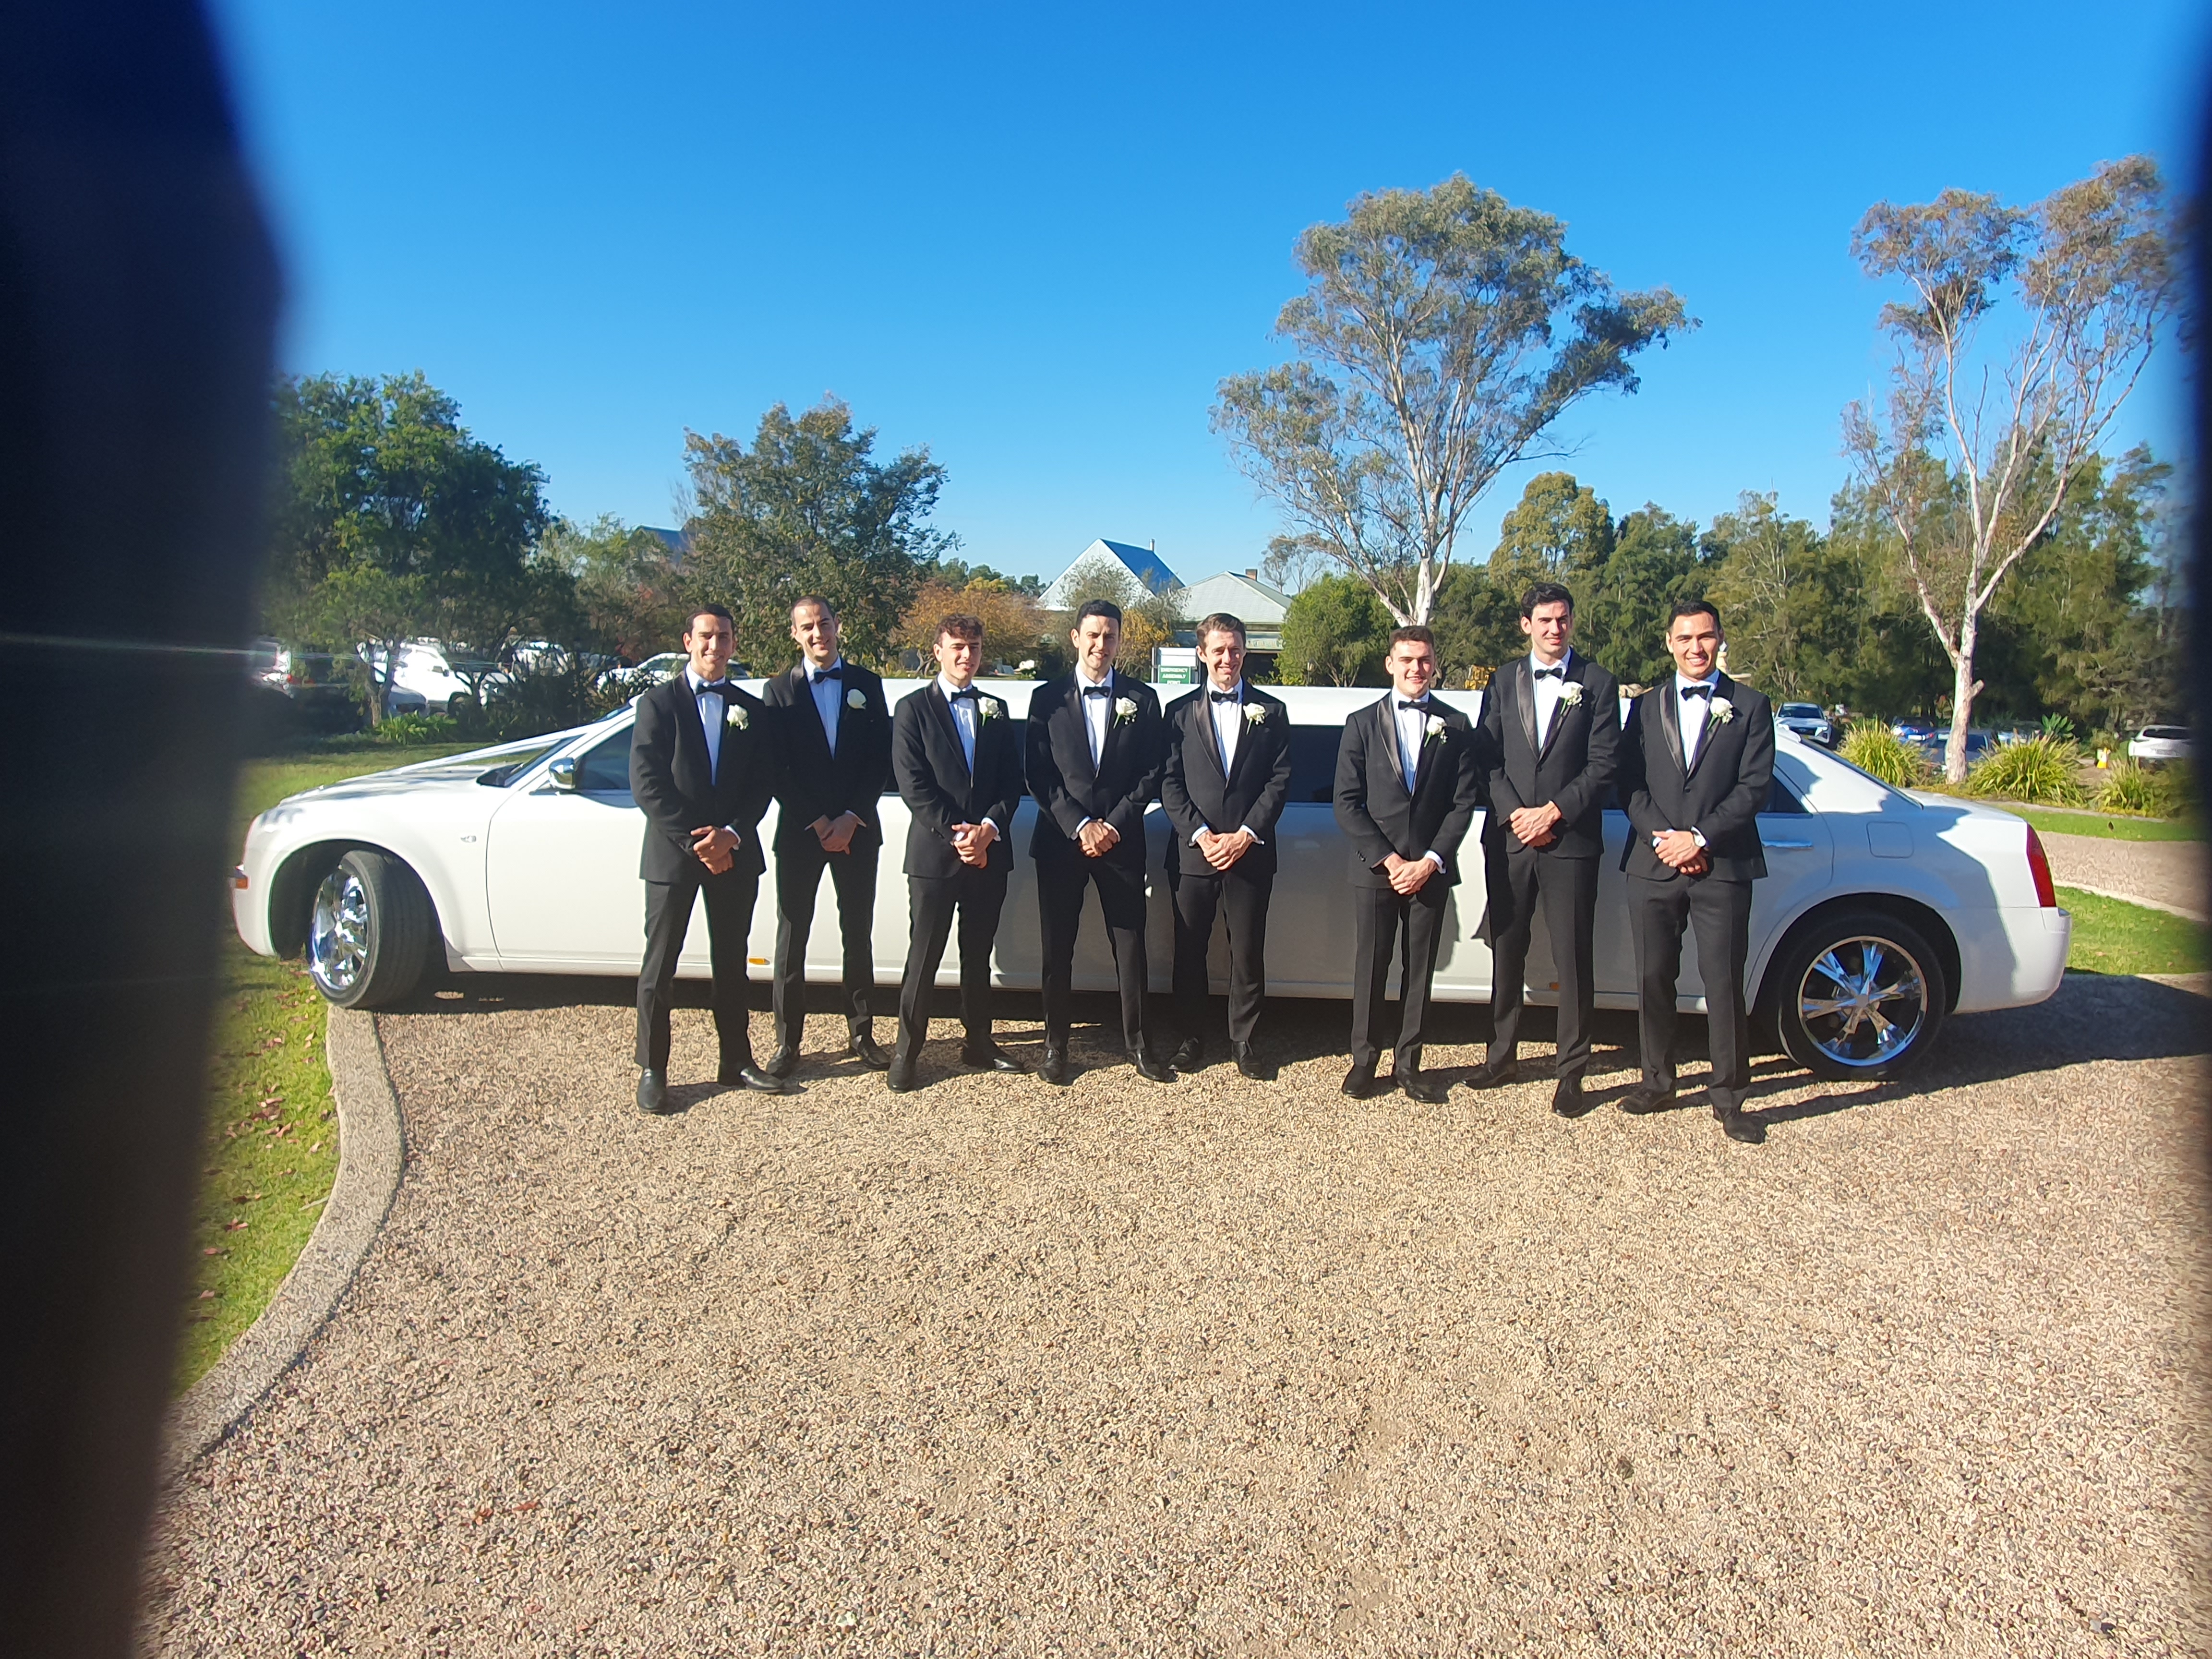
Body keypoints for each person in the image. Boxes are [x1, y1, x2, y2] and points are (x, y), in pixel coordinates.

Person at [1618, 599, 1776, 1144]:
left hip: (1723, 865)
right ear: (1669, 643)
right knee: (1652, 977)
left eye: (1705, 636)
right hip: (1654, 863)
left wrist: (1700, 838)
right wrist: (1665, 839)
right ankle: (1657, 1082)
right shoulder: (1645, 707)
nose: (1696, 648)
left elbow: (1754, 787)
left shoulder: (1751, 706)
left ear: (1720, 638)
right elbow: (1628, 783)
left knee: (1724, 982)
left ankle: (1729, 1097)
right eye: (1684, 638)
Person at [628, 604, 786, 1113]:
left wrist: (732, 835)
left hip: (734, 854)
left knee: (733, 962)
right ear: (688, 641)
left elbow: (763, 782)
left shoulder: (751, 709)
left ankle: (735, 1059)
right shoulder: (658, 703)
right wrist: (697, 841)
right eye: (706, 636)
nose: (715, 646)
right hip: (674, 855)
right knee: (660, 965)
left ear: (734, 644)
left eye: (724, 637)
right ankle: (653, 1068)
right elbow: (647, 783)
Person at [1473, 581, 1621, 1115]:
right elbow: (1486, 758)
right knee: (1507, 949)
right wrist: (1517, 814)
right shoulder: (1502, 680)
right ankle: (1501, 1056)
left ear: (1572, 621)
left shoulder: (1599, 684)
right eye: (1545, 620)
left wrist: (1553, 812)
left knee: (1573, 956)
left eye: (1563, 619)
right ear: (1526, 625)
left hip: (1570, 840)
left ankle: (1571, 1072)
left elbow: (1605, 764)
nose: (1555, 628)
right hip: (1510, 840)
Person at [1026, 599, 1174, 1086]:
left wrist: (1113, 824)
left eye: (1110, 636)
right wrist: (1079, 825)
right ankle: (1056, 1046)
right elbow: (1039, 775)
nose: (1101, 644)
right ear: (1075, 638)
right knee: (1057, 949)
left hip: (1121, 842)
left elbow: (1152, 770)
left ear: (1119, 641)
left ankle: (1139, 1044)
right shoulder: (1045, 699)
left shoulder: (1143, 699)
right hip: (1060, 842)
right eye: (1093, 635)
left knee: (1130, 947)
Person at [1332, 625, 1482, 1103]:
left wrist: (1432, 860)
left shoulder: (1456, 724)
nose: (1417, 668)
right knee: (1371, 967)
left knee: (1420, 971)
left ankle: (1409, 1064)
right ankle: (1364, 1061)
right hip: (1377, 869)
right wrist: (1391, 860)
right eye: (1407, 659)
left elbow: (1463, 802)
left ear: (1434, 664)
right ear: (1390, 663)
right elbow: (1346, 801)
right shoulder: (1361, 722)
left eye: (1424, 660)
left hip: (1430, 872)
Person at [887, 613, 1026, 1093]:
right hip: (934, 856)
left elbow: (1011, 781)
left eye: (975, 647)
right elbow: (914, 785)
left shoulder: (996, 709)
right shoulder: (912, 709)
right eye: (958, 647)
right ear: (938, 651)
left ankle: (978, 1042)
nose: (967, 655)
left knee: (978, 954)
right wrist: (958, 835)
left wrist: (988, 830)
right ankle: (907, 1052)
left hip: (989, 854)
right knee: (924, 956)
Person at [760, 595, 894, 1076]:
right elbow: (776, 768)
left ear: (838, 625)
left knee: (857, 932)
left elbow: (880, 758)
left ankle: (862, 1033)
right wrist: (819, 822)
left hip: (858, 831)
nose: (818, 633)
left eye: (824, 623)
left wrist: (852, 817)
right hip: (802, 832)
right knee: (792, 934)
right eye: (808, 627)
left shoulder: (867, 685)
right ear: (795, 634)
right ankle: (787, 1043)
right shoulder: (778, 691)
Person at [1158, 612, 1293, 1079]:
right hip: (1193, 854)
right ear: (1202, 654)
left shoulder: (1272, 712)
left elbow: (1280, 780)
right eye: (1218, 650)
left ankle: (1245, 1040)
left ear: (1245, 651)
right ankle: (1190, 1038)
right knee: (1189, 950)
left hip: (1250, 852)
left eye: (1235, 649)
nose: (1227, 658)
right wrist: (1200, 834)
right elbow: (1169, 782)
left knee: (1248, 950)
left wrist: (1245, 835)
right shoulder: (1177, 713)